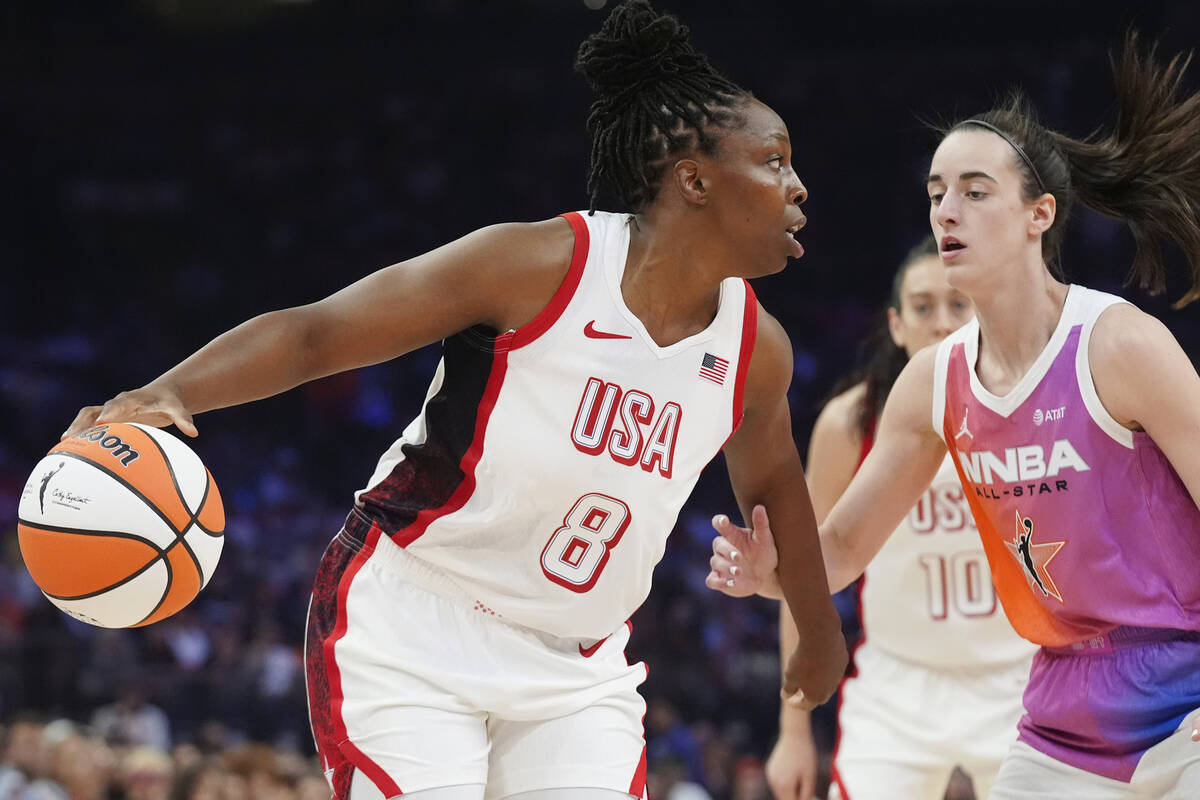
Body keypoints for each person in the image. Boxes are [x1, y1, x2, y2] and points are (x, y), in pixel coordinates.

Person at [62, 2, 849, 798]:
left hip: (575, 663)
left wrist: (819, 633)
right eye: (776, 161)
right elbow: (316, 336)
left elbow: (775, 478)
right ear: (695, 180)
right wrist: (170, 390)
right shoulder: (536, 266)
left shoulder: (756, 350)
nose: (799, 186)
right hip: (415, 620)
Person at [708, 33, 1200, 798]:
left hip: (1184, 685)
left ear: (1040, 213)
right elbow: (837, 551)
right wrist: (774, 572)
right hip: (1064, 703)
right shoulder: (932, 384)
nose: (947, 209)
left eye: (975, 190)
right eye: (938, 191)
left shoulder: (1120, 345)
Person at [766, 239, 1035, 800]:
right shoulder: (850, 423)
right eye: (922, 306)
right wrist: (794, 728)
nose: (941, 323)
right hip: (897, 685)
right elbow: (805, 578)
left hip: (1023, 678)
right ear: (895, 323)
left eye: (958, 305)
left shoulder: (1037, 409)